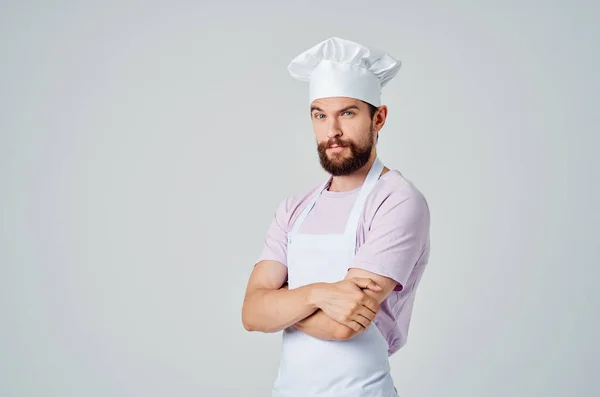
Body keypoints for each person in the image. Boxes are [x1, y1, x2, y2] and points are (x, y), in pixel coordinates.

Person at [241, 37, 431, 397]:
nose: (333, 132)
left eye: (347, 113)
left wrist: (281, 300)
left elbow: (343, 325)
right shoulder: (294, 208)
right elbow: (251, 314)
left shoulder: (397, 200)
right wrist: (318, 293)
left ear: (379, 118)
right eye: (320, 115)